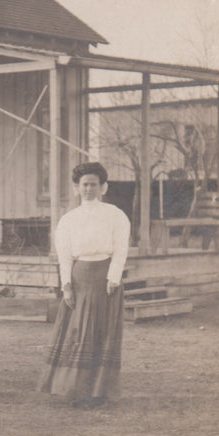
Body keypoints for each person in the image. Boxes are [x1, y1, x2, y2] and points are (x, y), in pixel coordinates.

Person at [39, 161, 130, 409]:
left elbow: (121, 248)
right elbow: (65, 255)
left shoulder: (115, 215)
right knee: (77, 333)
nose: (89, 189)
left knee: (103, 332)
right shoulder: (69, 219)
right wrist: (66, 285)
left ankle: (99, 390)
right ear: (76, 188)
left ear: (103, 187)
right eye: (84, 185)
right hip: (80, 277)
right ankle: (75, 389)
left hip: (105, 278)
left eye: (93, 184)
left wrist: (114, 277)